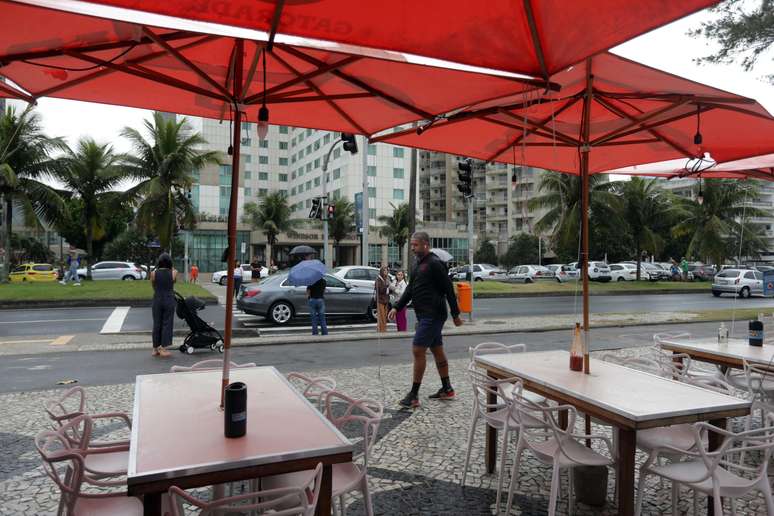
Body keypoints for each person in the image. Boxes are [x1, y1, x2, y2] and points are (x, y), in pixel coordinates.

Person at [389, 231, 463, 408]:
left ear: (425, 244)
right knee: (437, 350)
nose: (413, 248)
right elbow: (410, 290)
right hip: (423, 314)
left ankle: (413, 395)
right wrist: (397, 306)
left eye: (415, 245)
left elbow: (448, 289)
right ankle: (447, 388)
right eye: (412, 245)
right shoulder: (416, 264)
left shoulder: (435, 264)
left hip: (434, 314)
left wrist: (455, 314)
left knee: (417, 350)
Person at [151, 253, 176, 358]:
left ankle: (155, 348)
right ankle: (163, 348)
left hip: (157, 298)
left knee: (157, 323)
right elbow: (173, 283)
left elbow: (153, 285)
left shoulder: (153, 273)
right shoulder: (174, 272)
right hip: (169, 298)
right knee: (167, 323)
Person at [306, 259, 328, 336]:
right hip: (321, 300)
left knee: (314, 318)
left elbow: (308, 291)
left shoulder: (312, 281)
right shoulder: (324, 281)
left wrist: (308, 296)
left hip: (312, 300)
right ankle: (324, 333)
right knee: (322, 317)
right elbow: (324, 291)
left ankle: (315, 333)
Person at [375, 265, 391, 332]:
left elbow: (388, 290)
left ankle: (384, 329)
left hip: (386, 300)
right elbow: (380, 290)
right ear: (381, 272)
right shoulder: (378, 279)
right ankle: (381, 330)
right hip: (380, 300)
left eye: (387, 270)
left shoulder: (386, 279)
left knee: (385, 316)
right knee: (381, 316)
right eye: (384, 270)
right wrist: (386, 285)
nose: (386, 272)